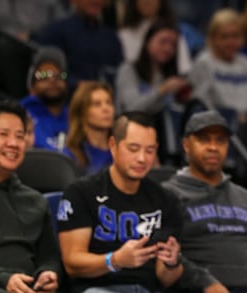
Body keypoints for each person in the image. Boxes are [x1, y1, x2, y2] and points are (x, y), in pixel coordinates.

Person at [57, 112, 186, 292]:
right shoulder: (81, 193)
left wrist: (172, 263)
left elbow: (166, 279)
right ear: (113, 145)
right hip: (100, 288)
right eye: (133, 149)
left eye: (149, 150)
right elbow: (72, 264)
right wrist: (115, 260)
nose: (142, 158)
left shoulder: (166, 200)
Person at [162, 110, 247, 293]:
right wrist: (204, 282)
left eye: (220, 140)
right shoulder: (168, 194)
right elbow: (168, 255)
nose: (213, 147)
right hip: (197, 288)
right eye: (204, 139)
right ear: (186, 145)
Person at [0, 100, 62, 293]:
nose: (14, 143)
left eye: (20, 136)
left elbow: (50, 257)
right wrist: (4, 279)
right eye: (3, 134)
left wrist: (48, 273)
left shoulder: (35, 201)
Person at [190, 8, 247, 125]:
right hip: (219, 125)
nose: (230, 42)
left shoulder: (245, 62)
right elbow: (201, 102)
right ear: (213, 38)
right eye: (224, 37)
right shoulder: (204, 63)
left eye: (235, 36)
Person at [36, 0, 123, 87]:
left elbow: (118, 72)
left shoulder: (111, 37)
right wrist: (73, 82)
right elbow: (43, 74)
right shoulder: (56, 31)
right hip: (66, 99)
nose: (95, 0)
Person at [118, 0, 198, 72]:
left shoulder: (173, 34)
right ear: (134, 0)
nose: (147, 0)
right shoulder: (123, 35)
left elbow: (184, 69)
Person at [115, 22, 189, 115]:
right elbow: (132, 108)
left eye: (173, 45)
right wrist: (162, 89)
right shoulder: (128, 70)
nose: (168, 48)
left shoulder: (168, 75)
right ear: (148, 41)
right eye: (163, 41)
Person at [20, 47, 69, 151]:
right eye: (43, 75)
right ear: (31, 87)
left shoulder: (75, 116)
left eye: (59, 75)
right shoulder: (19, 113)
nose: (52, 79)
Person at [63, 81, 114, 175]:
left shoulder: (121, 150)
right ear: (82, 112)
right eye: (97, 104)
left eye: (109, 102)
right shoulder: (72, 155)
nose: (106, 109)